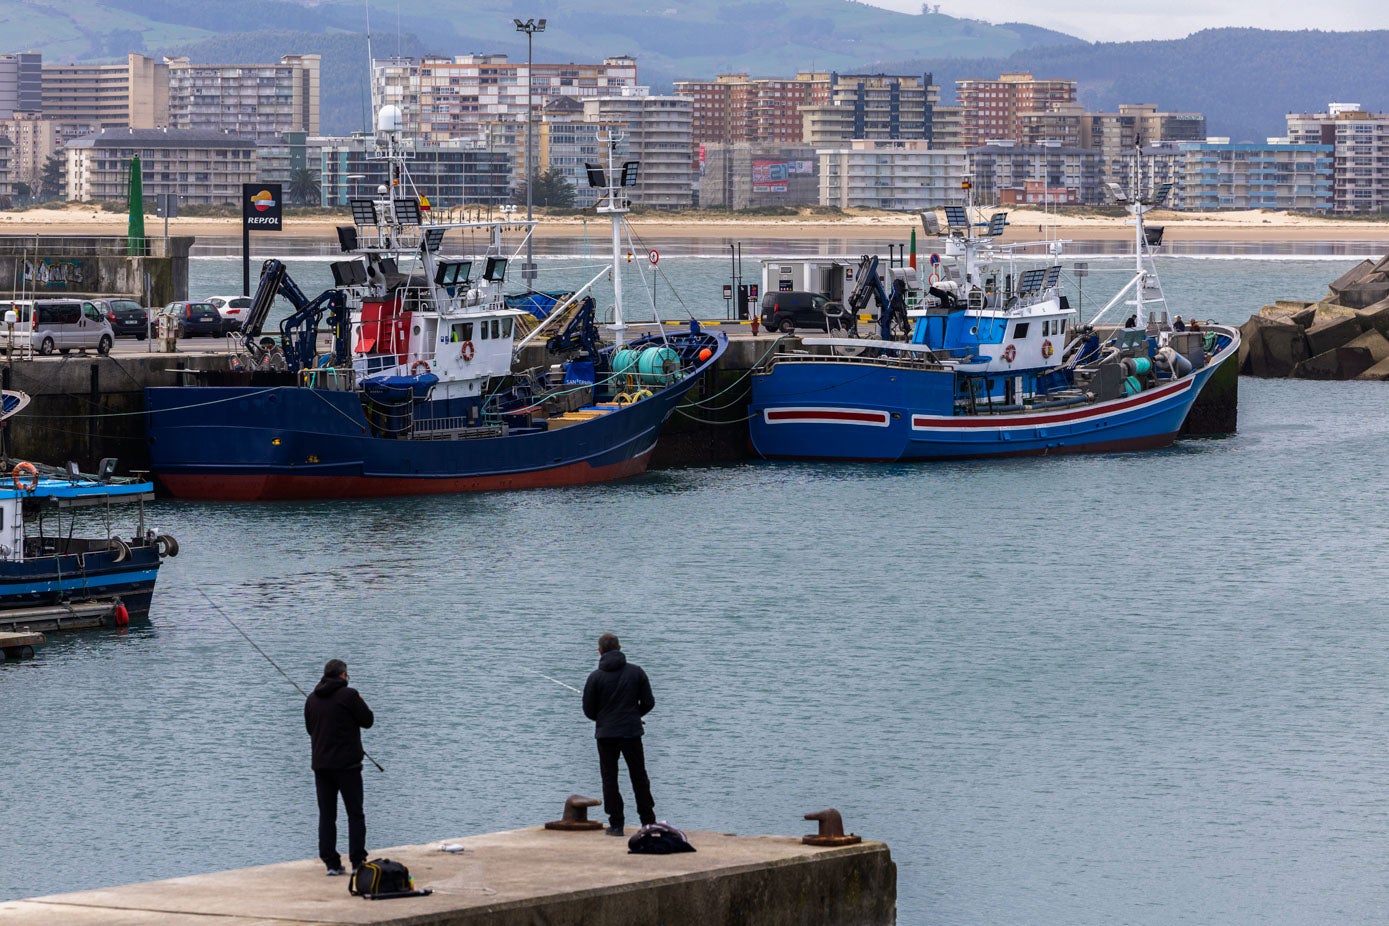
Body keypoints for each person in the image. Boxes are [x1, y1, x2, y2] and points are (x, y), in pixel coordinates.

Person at [305, 659, 374, 875]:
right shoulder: (350, 695)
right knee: (355, 814)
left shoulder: (312, 700)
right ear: (343, 675)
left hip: (321, 767)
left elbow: (310, 729)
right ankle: (357, 862)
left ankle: (331, 863)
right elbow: (368, 720)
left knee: (327, 815)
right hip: (348, 767)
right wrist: (360, 701)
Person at [582, 633, 656, 836]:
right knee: (639, 776)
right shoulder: (636, 672)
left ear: (600, 651)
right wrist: (634, 715)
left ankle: (616, 825)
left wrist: (604, 718)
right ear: (620, 647)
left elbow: (589, 710)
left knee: (610, 778)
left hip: (606, 736)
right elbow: (649, 702)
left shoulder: (595, 677)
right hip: (631, 733)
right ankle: (648, 822)